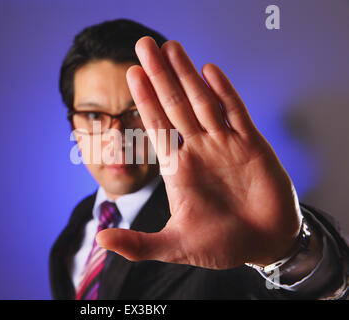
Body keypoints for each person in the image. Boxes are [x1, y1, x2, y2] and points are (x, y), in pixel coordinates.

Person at [50, 18, 348, 299]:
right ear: (73, 125)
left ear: (168, 114)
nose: (116, 138)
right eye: (93, 115)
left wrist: (288, 252)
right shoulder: (77, 228)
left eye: (137, 112)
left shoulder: (221, 216)